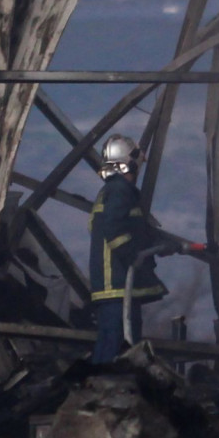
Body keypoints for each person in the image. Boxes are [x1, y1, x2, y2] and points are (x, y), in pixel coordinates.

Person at [88, 134, 167, 363]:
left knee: (113, 345)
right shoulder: (120, 191)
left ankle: (100, 382)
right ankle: (104, 384)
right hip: (118, 284)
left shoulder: (112, 191)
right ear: (129, 162)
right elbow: (114, 230)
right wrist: (134, 257)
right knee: (119, 348)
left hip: (117, 287)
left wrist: (157, 246)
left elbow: (129, 230)